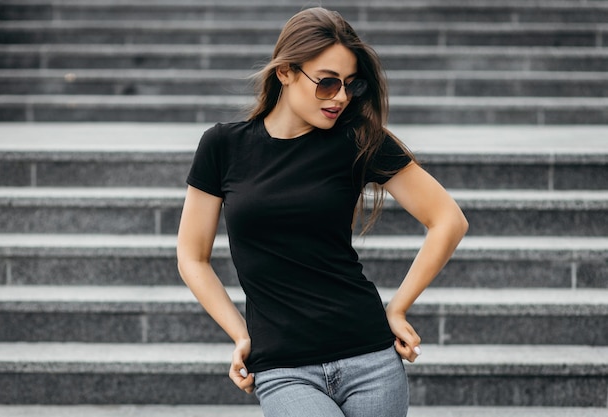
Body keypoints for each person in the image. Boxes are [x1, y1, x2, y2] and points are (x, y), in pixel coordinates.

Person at [177, 7, 468, 417]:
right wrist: (241, 334)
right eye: (327, 83)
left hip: (370, 358)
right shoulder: (223, 146)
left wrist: (397, 307)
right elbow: (192, 256)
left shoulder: (359, 140)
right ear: (285, 72)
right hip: (283, 366)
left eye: (351, 85)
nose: (341, 97)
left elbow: (448, 220)